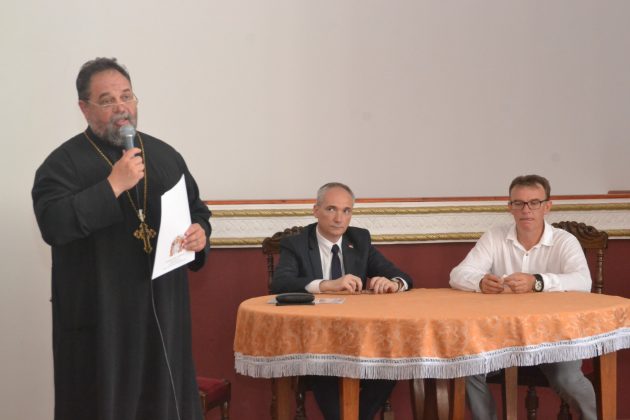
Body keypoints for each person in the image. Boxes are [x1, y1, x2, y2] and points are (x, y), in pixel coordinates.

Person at [32, 58, 211, 420]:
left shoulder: (165, 156)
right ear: (84, 108)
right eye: (107, 100)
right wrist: (113, 185)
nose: (121, 108)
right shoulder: (61, 165)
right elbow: (54, 225)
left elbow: (197, 210)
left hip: (163, 315)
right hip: (102, 321)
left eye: (127, 96)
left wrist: (200, 234)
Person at [449, 174, 596, 420]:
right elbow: (457, 274)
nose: (526, 210)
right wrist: (480, 282)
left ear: (547, 206)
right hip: (499, 336)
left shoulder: (564, 241)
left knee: (568, 378)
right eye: (518, 203)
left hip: (554, 335)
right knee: (467, 368)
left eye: (534, 202)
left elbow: (583, 281)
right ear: (510, 207)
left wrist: (537, 282)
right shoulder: (495, 236)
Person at [272, 182, 413, 420]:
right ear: (316, 210)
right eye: (331, 209)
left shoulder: (359, 240)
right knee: (322, 363)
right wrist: (327, 285)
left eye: (346, 211)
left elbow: (403, 277)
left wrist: (394, 284)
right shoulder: (296, 243)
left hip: (359, 337)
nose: (339, 218)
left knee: (392, 361)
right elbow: (280, 283)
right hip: (316, 337)